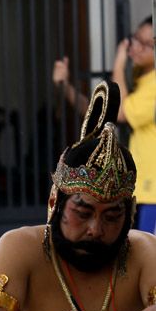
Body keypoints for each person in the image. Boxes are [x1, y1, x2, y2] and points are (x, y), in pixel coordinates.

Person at [0, 81, 156, 311]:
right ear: (54, 202)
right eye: (83, 213)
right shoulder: (20, 246)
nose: (95, 229)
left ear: (130, 214)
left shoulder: (144, 250)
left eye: (112, 217)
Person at [53, 17, 155, 233]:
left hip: (152, 191)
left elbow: (118, 112)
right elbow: (100, 114)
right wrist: (65, 87)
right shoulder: (139, 77)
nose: (135, 48)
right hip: (139, 188)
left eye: (146, 44)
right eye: (134, 39)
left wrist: (118, 61)